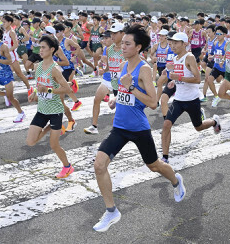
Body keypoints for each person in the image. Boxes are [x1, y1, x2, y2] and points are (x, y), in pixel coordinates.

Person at [93, 25, 186, 232]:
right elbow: (125, 91)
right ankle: (111, 212)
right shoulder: (123, 65)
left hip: (138, 128)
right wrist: (116, 98)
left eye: (127, 43)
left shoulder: (143, 69)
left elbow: (152, 103)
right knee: (99, 165)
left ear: (138, 47)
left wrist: (132, 87)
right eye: (122, 42)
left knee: (154, 166)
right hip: (119, 126)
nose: (122, 46)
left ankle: (175, 179)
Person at [161, 31, 221, 163]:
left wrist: (179, 77)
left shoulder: (189, 57)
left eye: (176, 43)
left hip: (192, 100)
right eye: (172, 43)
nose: (173, 46)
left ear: (184, 44)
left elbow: (197, 79)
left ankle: (214, 121)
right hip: (179, 100)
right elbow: (179, 75)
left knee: (198, 127)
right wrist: (174, 80)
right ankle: (165, 157)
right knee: (166, 124)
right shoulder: (175, 58)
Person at [25, 34, 75, 179]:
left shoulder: (55, 69)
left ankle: (67, 167)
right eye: (39, 47)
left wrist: (47, 90)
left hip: (55, 111)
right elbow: (39, 86)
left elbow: (67, 89)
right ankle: (49, 128)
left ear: (52, 49)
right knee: (30, 141)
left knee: (54, 145)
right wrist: (34, 93)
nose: (40, 50)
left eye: (43, 48)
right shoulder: (37, 66)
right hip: (42, 109)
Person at [84, 25, 125, 135]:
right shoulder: (108, 49)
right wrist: (104, 70)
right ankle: (94, 126)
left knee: (120, 108)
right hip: (108, 78)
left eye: (108, 37)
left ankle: (119, 129)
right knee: (97, 99)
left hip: (121, 82)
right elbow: (110, 65)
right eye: (107, 37)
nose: (106, 40)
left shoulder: (125, 48)